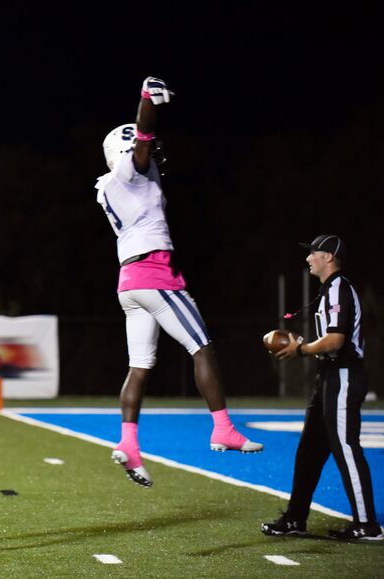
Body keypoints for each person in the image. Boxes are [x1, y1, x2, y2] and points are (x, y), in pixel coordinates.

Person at [95, 77, 262, 487]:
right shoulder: (129, 171)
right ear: (125, 150)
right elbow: (146, 132)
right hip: (155, 275)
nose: (153, 152)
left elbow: (145, 143)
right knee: (201, 346)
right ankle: (222, 426)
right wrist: (147, 99)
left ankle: (129, 444)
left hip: (128, 281)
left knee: (139, 366)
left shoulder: (108, 187)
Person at [262, 235, 383, 540]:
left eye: (313, 253)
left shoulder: (339, 287)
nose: (308, 258)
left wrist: (300, 350)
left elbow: (336, 340)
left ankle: (367, 524)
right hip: (329, 375)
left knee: (345, 447)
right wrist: (304, 346)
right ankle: (295, 518)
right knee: (309, 451)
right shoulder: (330, 289)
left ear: (328, 257)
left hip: (343, 374)